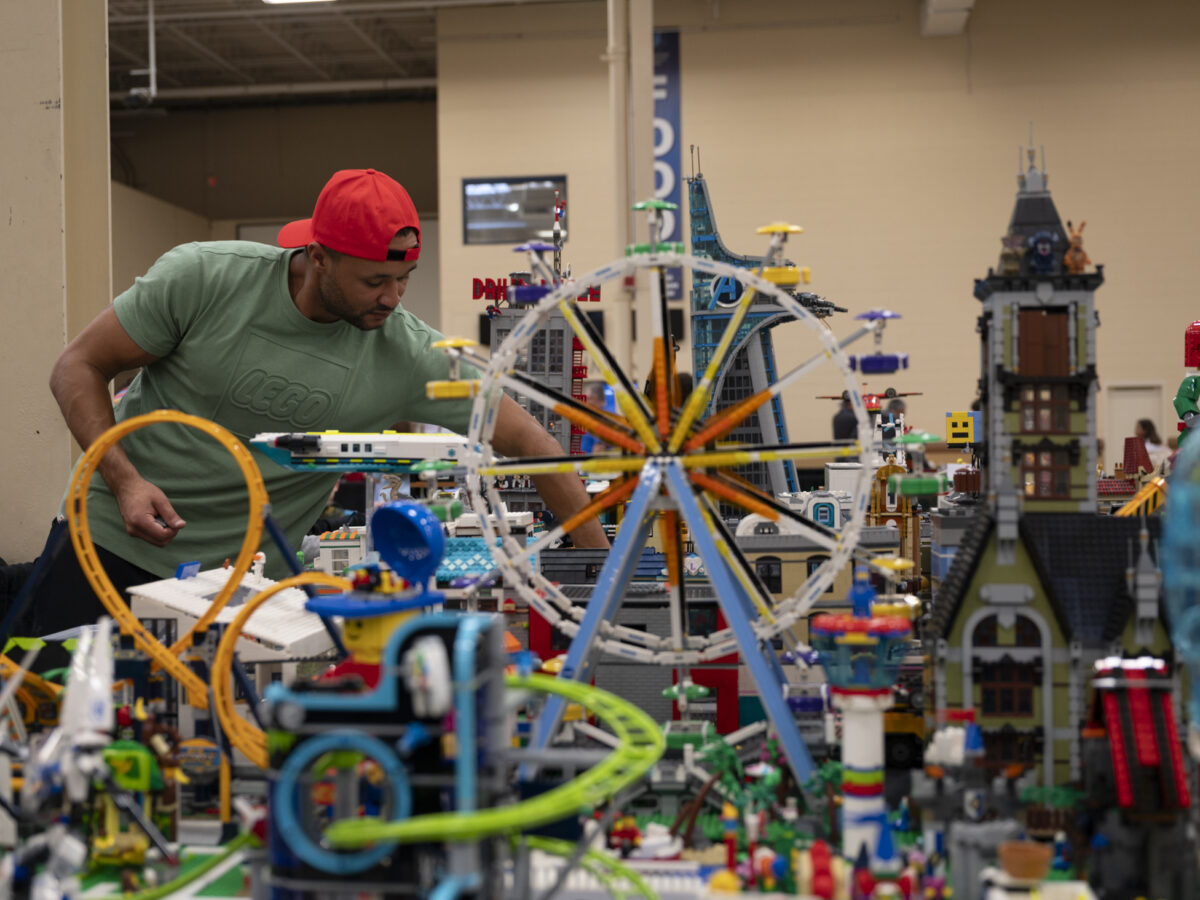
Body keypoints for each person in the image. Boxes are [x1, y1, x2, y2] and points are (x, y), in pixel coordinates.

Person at [20, 168, 606, 637]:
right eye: (375, 280)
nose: (392, 298)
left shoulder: (408, 353)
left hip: (239, 591)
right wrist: (123, 481)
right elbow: (77, 366)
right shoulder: (205, 280)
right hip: (104, 547)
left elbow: (537, 446)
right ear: (318, 256)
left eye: (404, 279)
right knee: (57, 724)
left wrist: (599, 585)